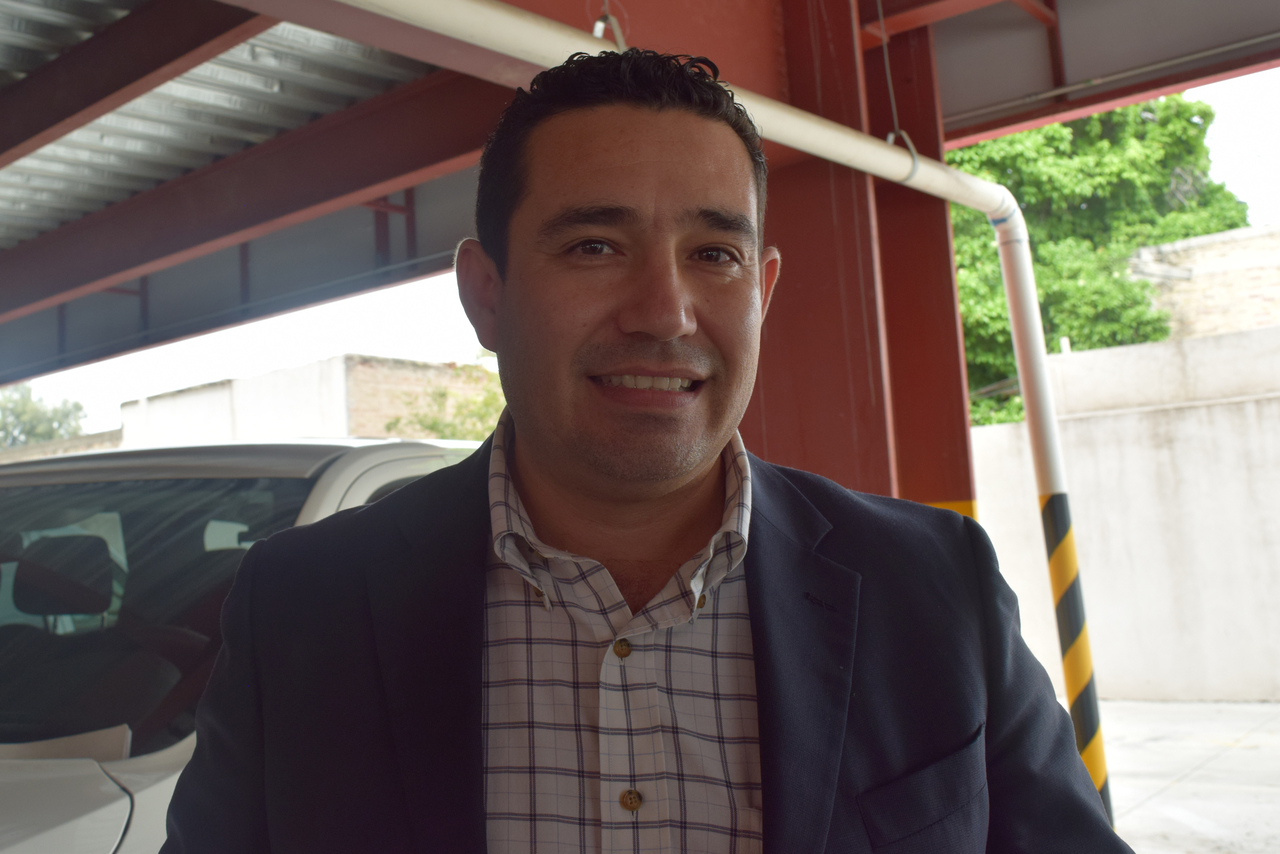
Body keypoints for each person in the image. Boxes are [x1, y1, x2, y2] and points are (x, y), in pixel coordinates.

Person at [162, 49, 1132, 853]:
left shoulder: (932, 587)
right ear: (486, 295)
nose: (664, 313)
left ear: (761, 291)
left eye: (713, 254)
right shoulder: (304, 609)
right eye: (594, 246)